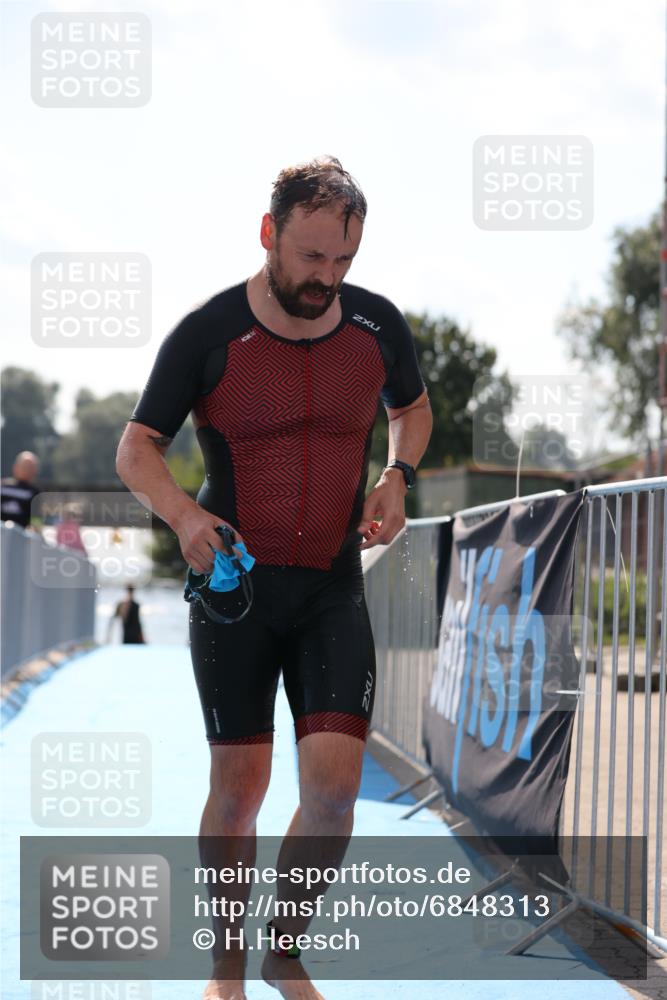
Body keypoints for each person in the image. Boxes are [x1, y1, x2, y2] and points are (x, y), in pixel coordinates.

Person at [116, 156, 433, 1000]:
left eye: (342, 261)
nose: (325, 279)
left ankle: (282, 949)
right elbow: (135, 446)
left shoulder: (375, 326)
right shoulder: (210, 331)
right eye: (310, 258)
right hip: (237, 589)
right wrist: (185, 519)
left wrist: (398, 475)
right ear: (270, 235)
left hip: (331, 585)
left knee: (333, 794)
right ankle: (225, 961)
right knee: (240, 790)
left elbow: (412, 409)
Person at [0, 451, 40, 529]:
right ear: (15, 467)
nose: (27, 470)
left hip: (20, 538)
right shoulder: (2, 486)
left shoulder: (35, 493)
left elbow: (36, 523)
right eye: (25, 466)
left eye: (30, 467)